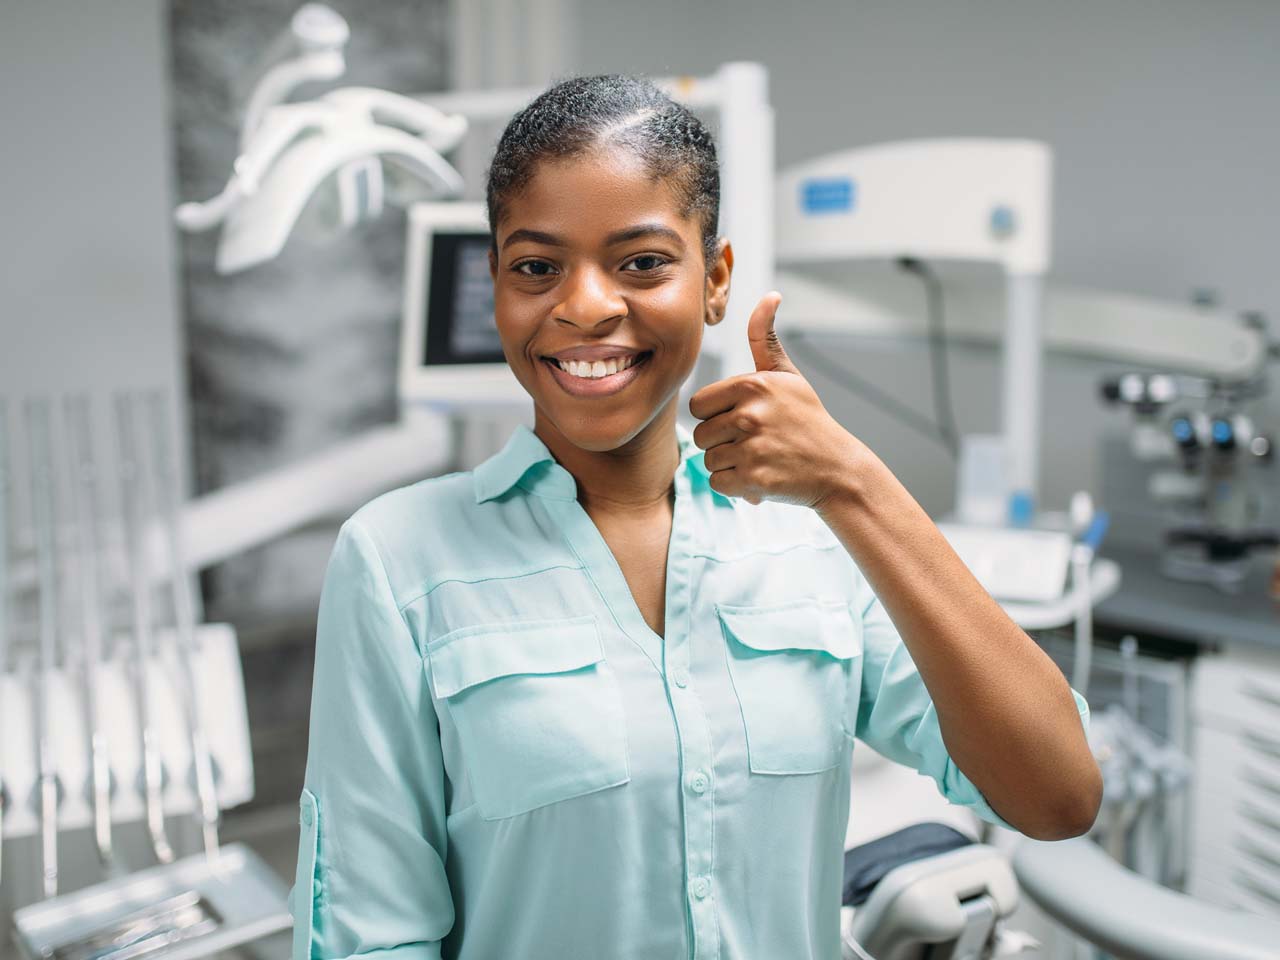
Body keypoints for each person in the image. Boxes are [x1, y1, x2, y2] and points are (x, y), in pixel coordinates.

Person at [290, 74, 1101, 960]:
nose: (587, 304)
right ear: (495, 286)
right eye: (536, 267)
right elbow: (373, 936)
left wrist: (854, 485)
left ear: (715, 281)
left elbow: (1055, 796)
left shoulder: (812, 538)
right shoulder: (398, 560)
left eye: (641, 262)